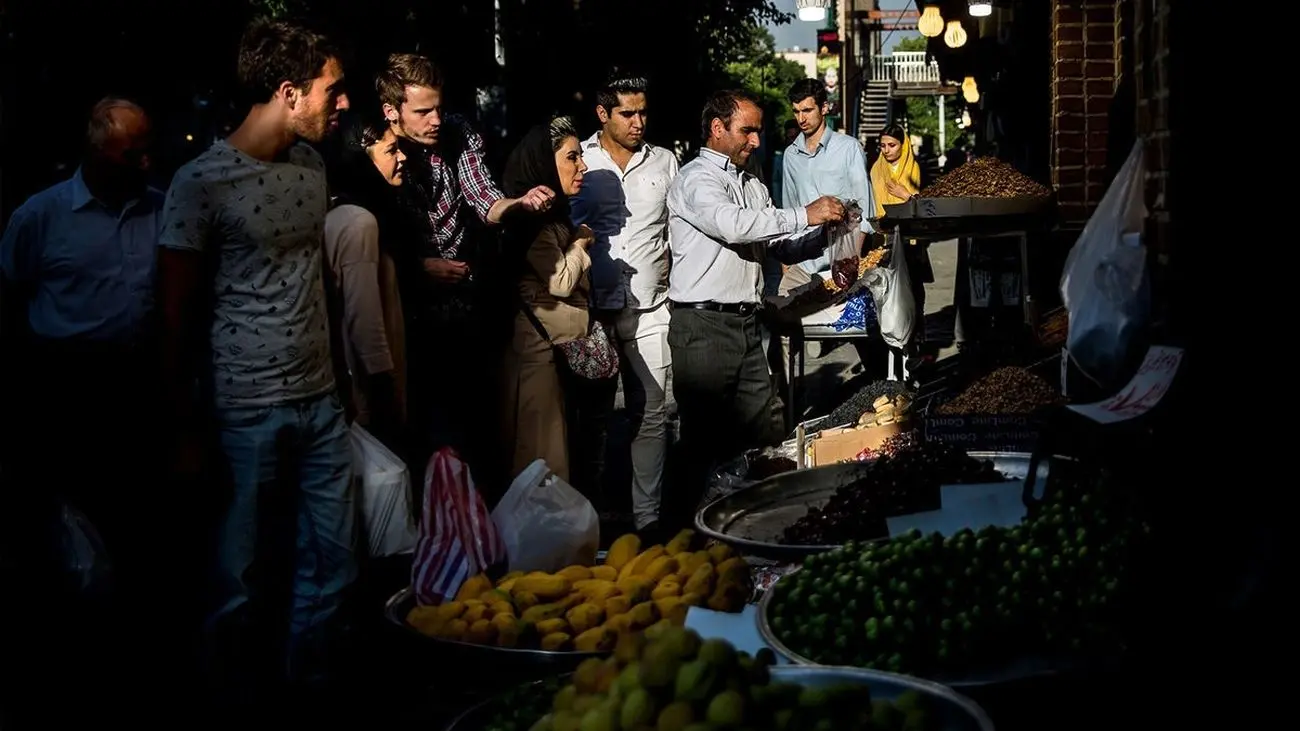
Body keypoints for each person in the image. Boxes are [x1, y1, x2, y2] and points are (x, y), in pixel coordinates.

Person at [156, 18, 353, 696]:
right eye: (334, 89)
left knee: (332, 565)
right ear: (289, 91)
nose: (343, 102)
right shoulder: (202, 182)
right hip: (243, 412)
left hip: (321, 401)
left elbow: (317, 281)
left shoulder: (311, 167)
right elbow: (174, 315)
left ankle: (311, 689)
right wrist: (183, 424)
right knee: (236, 581)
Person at [0, 96, 165, 725]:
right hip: (67, 390)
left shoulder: (159, 206)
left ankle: (136, 662)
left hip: (139, 385)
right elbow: (12, 296)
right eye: (132, 153)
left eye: (149, 148)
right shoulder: (41, 217)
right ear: (98, 152)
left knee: (139, 529)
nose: (146, 161)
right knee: (68, 535)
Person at [663, 89, 845, 529]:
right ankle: (680, 536)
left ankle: (756, 529)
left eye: (758, 131)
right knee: (703, 439)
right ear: (717, 128)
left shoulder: (751, 182)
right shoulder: (696, 179)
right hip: (703, 324)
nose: (756, 141)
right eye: (747, 130)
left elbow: (776, 241)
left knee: (762, 435)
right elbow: (735, 225)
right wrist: (805, 213)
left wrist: (826, 234)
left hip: (747, 323)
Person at [376, 53, 554, 491]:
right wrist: (417, 270)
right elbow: (368, 232)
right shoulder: (375, 147)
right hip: (404, 309)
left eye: (438, 107)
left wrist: (517, 204)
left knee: (475, 427)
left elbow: (483, 197)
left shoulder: (457, 132)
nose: (435, 118)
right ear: (391, 112)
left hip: (465, 305)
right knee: (418, 433)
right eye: (422, 111)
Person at [570, 74, 677, 533]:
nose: (638, 123)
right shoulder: (580, 160)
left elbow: (677, 229)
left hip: (652, 308)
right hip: (592, 312)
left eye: (643, 112)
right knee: (589, 417)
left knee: (652, 411)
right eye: (627, 114)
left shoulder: (665, 162)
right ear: (603, 114)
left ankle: (647, 518)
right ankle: (586, 518)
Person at [323, 110, 410, 447]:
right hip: (367, 397)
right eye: (390, 150)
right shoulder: (357, 222)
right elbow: (364, 317)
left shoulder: (355, 213)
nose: (401, 157)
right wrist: (384, 390)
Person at [782, 78, 876, 284]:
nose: (801, 118)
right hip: (802, 263)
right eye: (796, 111)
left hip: (842, 261)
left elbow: (865, 207)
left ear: (824, 108)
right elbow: (789, 207)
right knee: (783, 311)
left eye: (807, 110)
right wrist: (786, 263)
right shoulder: (790, 155)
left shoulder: (849, 148)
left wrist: (853, 259)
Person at [871, 124, 931, 356]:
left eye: (892, 145)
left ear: (903, 145)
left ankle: (916, 349)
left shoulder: (914, 170)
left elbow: (928, 205)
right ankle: (892, 348)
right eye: (883, 145)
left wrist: (906, 196)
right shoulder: (877, 170)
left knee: (914, 293)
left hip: (911, 241)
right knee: (887, 295)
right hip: (885, 239)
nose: (887, 150)